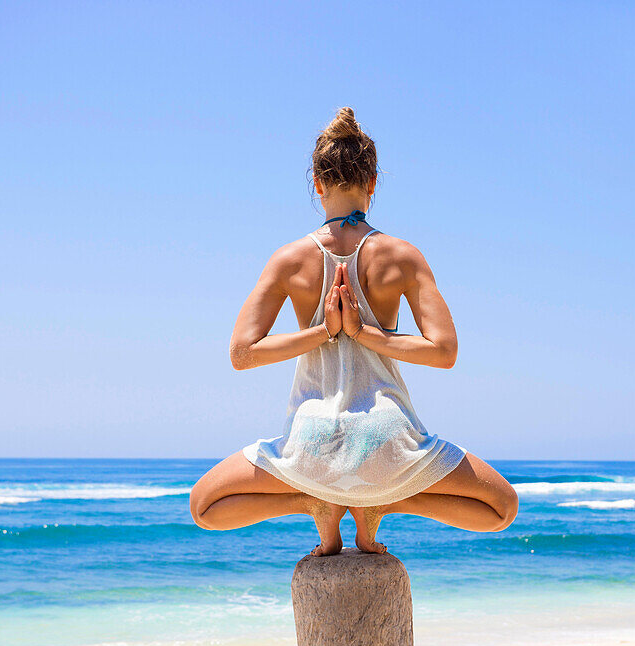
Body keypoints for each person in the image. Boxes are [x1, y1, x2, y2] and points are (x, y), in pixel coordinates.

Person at [190, 107, 518, 556]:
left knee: (204, 506)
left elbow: (242, 353)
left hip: (310, 445)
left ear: (318, 186)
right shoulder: (403, 256)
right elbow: (444, 352)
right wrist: (366, 334)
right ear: (373, 183)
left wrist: (324, 331)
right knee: (502, 508)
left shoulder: (288, 259)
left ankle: (311, 500)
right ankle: (389, 501)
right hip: (389, 441)